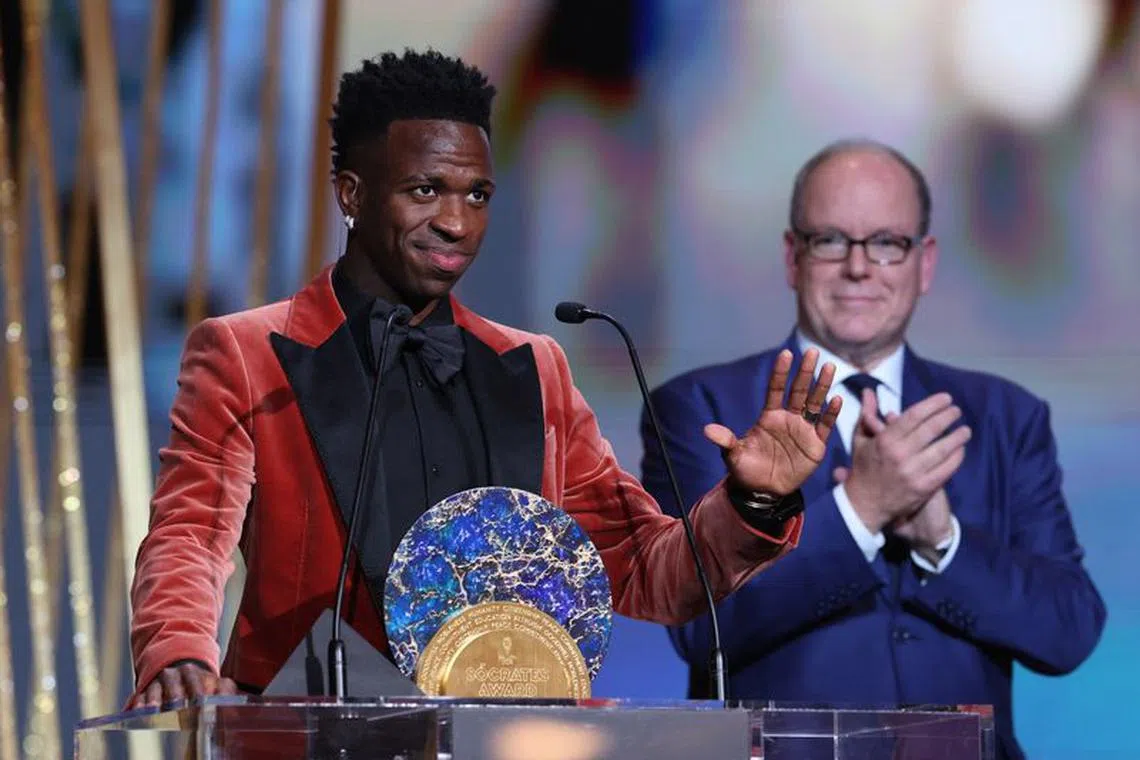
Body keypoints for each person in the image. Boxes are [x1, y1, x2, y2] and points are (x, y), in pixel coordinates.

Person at [127, 49, 844, 708]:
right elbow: (191, 533)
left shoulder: (535, 368)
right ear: (351, 194)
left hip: (514, 735)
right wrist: (177, 651)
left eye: (477, 196)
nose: (456, 222)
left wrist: (752, 501)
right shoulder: (248, 353)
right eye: (426, 189)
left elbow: (642, 570)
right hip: (315, 731)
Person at [640, 139, 1106, 759]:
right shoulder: (700, 409)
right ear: (792, 257)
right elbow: (699, 627)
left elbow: (1067, 631)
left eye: (887, 243)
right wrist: (859, 509)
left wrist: (945, 544)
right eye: (831, 240)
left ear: (925, 262)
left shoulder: (1004, 417)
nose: (859, 268)